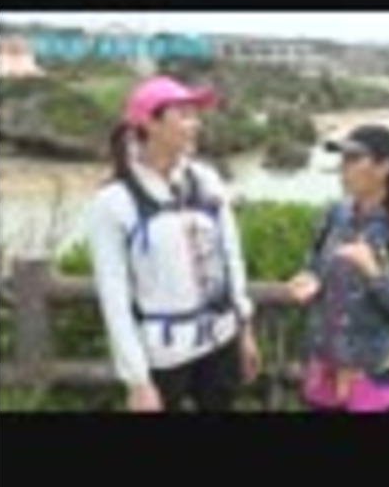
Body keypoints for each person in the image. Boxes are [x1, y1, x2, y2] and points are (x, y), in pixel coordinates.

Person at [88, 76, 261, 413]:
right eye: (183, 115)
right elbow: (114, 297)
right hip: (163, 355)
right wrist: (138, 380)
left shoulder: (206, 181)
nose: (195, 124)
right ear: (150, 123)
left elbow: (231, 258)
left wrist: (244, 329)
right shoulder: (113, 202)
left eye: (195, 114)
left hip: (221, 340)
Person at [286, 125, 389, 412]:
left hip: (372, 374)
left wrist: (375, 274)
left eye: (354, 159)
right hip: (324, 368)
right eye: (343, 159)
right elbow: (313, 266)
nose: (344, 168)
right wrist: (309, 281)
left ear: (384, 167)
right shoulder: (333, 215)